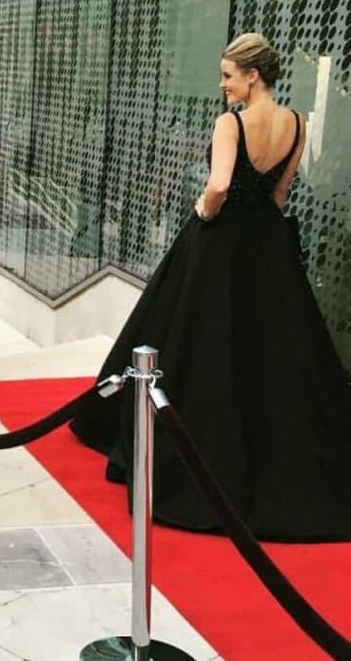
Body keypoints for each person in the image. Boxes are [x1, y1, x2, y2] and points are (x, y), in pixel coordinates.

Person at [70, 34, 351, 542]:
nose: (222, 85)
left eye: (228, 75)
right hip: (268, 245)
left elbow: (218, 185)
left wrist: (203, 211)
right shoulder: (298, 124)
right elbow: (280, 194)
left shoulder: (231, 123)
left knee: (200, 341)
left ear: (253, 75)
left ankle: (197, 455)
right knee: (270, 351)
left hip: (219, 244)